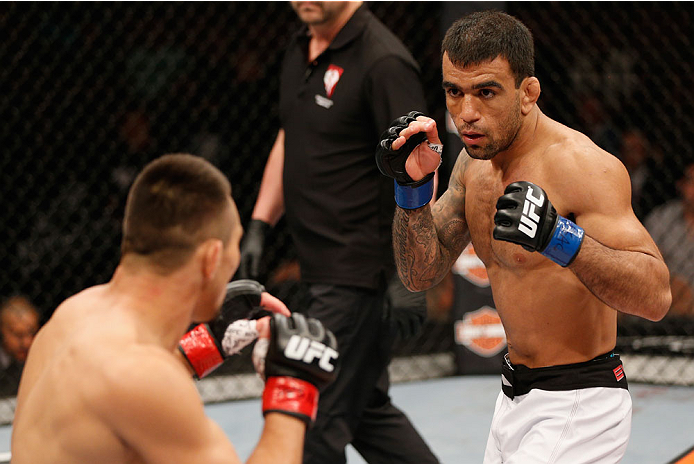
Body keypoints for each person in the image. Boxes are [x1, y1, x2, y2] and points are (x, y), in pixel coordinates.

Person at [376, 11, 671, 463]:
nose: (466, 114)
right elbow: (420, 273)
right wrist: (411, 194)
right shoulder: (472, 167)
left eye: (486, 92)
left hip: (581, 402)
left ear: (528, 92)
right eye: (454, 92)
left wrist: (561, 238)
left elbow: (655, 296)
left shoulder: (582, 166)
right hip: (513, 398)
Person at [11, 153, 338, 464]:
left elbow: (121, 394)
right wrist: (292, 388)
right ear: (211, 258)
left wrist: (205, 346)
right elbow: (136, 383)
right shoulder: (141, 377)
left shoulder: (74, 313)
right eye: (235, 244)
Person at [238, 2, 438, 463]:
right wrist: (259, 225)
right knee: (366, 411)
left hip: (358, 273)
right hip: (318, 267)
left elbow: (422, 166)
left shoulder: (382, 61)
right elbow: (293, 135)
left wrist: (413, 270)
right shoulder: (299, 48)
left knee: (313, 424)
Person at [645, 160, 694, 316]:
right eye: (692, 181)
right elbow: (647, 264)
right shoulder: (662, 218)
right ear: (681, 185)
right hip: (670, 297)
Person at [0, 296, 40, 397]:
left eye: (32, 333)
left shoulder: (40, 358)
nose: (27, 342)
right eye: (19, 335)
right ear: (2, 332)